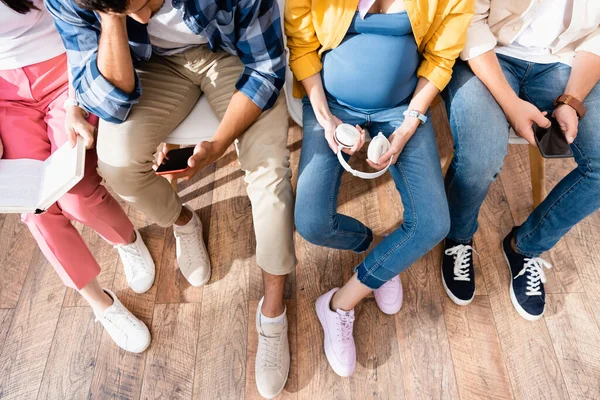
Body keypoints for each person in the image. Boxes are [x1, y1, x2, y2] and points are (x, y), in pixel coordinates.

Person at [46, 0, 295, 397]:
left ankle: (274, 310)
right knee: (118, 165)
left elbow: (266, 68)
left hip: (232, 55)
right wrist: (113, 17)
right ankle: (184, 222)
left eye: (145, 3)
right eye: (129, 11)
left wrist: (217, 145)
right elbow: (108, 100)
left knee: (269, 173)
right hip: (151, 65)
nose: (142, 18)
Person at [286, 0, 474, 377]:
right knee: (311, 223)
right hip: (331, 104)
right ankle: (379, 252)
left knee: (433, 223)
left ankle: (340, 303)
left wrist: (407, 128)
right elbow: (302, 45)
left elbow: (440, 59)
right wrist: (326, 118)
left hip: (402, 109)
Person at [0, 0, 156, 353]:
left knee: (76, 189)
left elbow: (79, 20)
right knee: (35, 209)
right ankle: (101, 303)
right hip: (5, 96)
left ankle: (127, 240)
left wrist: (76, 99)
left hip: (65, 65)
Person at [441, 0, 600, 320]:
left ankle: (525, 246)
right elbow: (468, 21)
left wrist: (572, 101)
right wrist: (511, 105)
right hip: (487, 53)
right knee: (480, 157)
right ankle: (458, 235)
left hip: (567, 61)